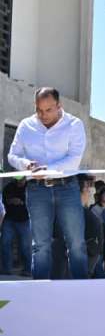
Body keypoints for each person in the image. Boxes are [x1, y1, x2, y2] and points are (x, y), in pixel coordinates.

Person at [7, 87, 89, 279]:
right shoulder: (26, 126)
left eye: (48, 110)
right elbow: (13, 155)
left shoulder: (74, 125)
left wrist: (46, 170)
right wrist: (26, 164)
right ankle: (40, 292)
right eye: (39, 110)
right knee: (40, 245)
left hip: (67, 188)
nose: (43, 115)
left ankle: (83, 291)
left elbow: (74, 158)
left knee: (76, 243)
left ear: (59, 106)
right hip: (36, 191)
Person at [1, 178, 31, 276]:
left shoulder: (30, 187)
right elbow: (4, 203)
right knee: (5, 243)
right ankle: (6, 270)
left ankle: (28, 270)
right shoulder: (9, 187)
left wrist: (22, 202)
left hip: (25, 220)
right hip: (10, 219)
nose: (21, 181)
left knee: (26, 246)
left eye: (23, 178)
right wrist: (11, 201)